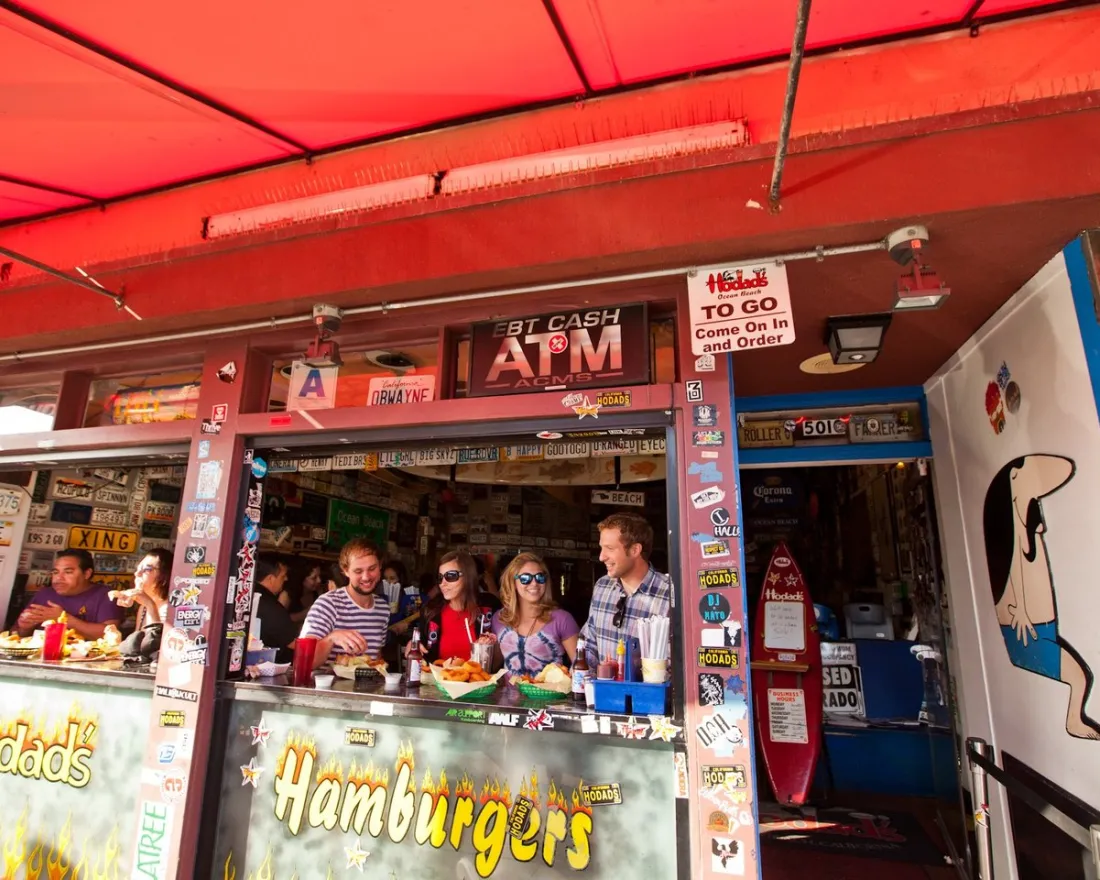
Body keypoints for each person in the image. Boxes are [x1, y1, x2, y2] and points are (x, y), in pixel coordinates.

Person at [580, 513, 671, 670]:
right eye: (602, 548)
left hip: (647, 694)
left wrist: (628, 671)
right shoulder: (602, 586)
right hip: (603, 693)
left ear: (635, 550)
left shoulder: (670, 594)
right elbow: (588, 641)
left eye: (609, 548)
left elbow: (676, 661)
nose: (601, 557)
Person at [299, 539, 390, 669]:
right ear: (345, 571)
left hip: (367, 688)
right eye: (358, 571)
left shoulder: (383, 609)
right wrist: (331, 639)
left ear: (380, 565)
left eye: (372, 568)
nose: (366, 577)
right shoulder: (328, 604)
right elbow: (303, 662)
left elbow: (376, 658)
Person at [492, 552, 579, 677]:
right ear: (513, 582)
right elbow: (493, 666)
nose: (534, 583)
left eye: (540, 577)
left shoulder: (562, 619)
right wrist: (484, 647)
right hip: (507, 696)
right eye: (525, 578)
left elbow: (582, 668)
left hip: (550, 695)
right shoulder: (499, 619)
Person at [410, 550, 501, 665]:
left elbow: (505, 651)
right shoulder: (430, 611)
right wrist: (414, 644)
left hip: (480, 681)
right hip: (439, 681)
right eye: (440, 577)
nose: (443, 583)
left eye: (451, 576)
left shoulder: (490, 606)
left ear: (468, 576)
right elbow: (422, 650)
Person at [16, 549, 121, 639]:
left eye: (68, 572)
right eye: (55, 572)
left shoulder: (106, 595)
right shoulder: (45, 594)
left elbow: (110, 634)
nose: (59, 578)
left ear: (87, 573)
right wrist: (24, 628)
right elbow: (17, 635)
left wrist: (64, 619)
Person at [111, 549, 173, 660]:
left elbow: (159, 649)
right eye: (138, 569)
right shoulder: (143, 607)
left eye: (147, 569)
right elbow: (138, 645)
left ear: (164, 576)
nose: (137, 574)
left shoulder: (171, 608)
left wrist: (150, 605)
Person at [252, 555, 298, 663]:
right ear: (271, 578)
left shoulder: (248, 595)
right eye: (283, 576)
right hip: (269, 665)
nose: (286, 579)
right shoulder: (271, 606)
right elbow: (295, 644)